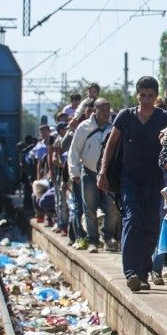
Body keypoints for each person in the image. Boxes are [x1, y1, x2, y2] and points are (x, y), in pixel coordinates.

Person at [98, 76, 167, 292]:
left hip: (154, 180)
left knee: (151, 224)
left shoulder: (163, 119)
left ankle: (144, 270)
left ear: (156, 96)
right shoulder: (125, 117)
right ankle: (131, 272)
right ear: (137, 95)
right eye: (143, 95)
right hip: (129, 178)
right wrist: (103, 172)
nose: (146, 99)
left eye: (150, 95)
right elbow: (111, 146)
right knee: (132, 219)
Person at [68, 98, 117, 252]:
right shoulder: (84, 128)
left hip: (108, 174)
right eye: (102, 109)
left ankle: (107, 236)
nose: (105, 113)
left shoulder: (113, 128)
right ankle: (93, 241)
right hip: (88, 172)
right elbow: (74, 151)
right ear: (94, 110)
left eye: (107, 109)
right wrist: (74, 172)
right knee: (89, 208)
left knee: (113, 208)